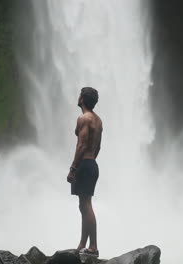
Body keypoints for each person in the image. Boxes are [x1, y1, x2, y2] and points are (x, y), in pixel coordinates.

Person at [67, 87, 103, 258]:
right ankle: (83, 243)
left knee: (86, 205)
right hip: (92, 163)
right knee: (83, 205)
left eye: (79, 94)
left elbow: (81, 145)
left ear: (82, 99)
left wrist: (74, 168)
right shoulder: (98, 120)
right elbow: (98, 146)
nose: (78, 96)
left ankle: (93, 246)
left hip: (84, 163)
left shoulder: (84, 118)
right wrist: (90, 161)